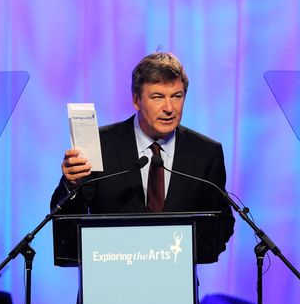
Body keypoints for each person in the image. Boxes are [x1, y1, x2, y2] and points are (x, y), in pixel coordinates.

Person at [50, 52, 234, 261]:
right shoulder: (100, 144)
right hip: (109, 278)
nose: (169, 108)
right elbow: (66, 221)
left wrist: (179, 257)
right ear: (136, 100)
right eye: (157, 97)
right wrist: (70, 185)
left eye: (177, 96)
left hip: (175, 283)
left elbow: (221, 223)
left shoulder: (206, 152)